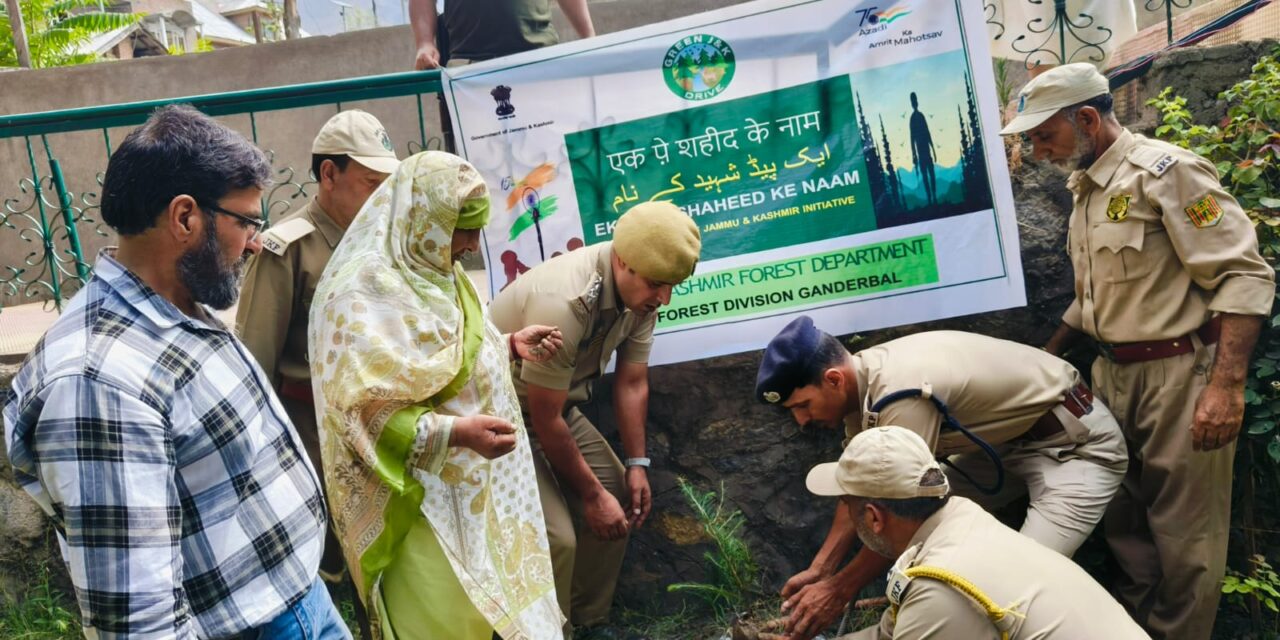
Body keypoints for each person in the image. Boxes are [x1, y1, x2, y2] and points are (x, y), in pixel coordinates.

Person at [3, 105, 347, 639]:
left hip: (297, 597)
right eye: (247, 222)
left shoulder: (177, 304)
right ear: (186, 217)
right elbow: (140, 625)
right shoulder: (99, 384)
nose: (256, 242)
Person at [999, 62, 1275, 639]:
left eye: (1044, 134)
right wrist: (1045, 365)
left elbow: (1243, 277)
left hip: (1180, 377)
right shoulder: (1089, 186)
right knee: (1125, 527)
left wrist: (1224, 388)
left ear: (1086, 119)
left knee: (1184, 537)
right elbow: (1094, 301)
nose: (1037, 149)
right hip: (1110, 376)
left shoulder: (1168, 174)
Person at [308, 150, 567, 640]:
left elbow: (446, 356)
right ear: (422, 217)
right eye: (462, 230)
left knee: (482, 619)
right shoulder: (357, 293)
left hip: (480, 492)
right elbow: (359, 409)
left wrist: (507, 344)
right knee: (437, 621)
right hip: (418, 504)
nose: (471, 246)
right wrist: (454, 433)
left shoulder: (434, 271)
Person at [756, 318, 1129, 640]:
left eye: (802, 405)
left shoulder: (899, 395)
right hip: (1005, 447)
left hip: (1075, 447)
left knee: (1005, 586)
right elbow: (859, 485)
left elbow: (892, 507)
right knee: (933, 518)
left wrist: (840, 588)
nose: (801, 420)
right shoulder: (862, 384)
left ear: (833, 379)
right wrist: (822, 569)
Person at [488, 202, 702, 637]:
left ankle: (586, 620)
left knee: (621, 496)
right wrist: (590, 495)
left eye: (673, 286)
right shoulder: (564, 302)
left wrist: (638, 463)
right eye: (658, 285)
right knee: (558, 538)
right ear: (622, 262)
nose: (664, 299)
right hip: (501, 416)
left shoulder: (640, 294)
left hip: (557, 408)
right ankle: (549, 631)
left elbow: (631, 382)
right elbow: (543, 420)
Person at [236, 109, 398, 588]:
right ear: (330, 174)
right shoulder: (289, 251)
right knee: (327, 561)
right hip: (312, 429)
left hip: (380, 423)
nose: (380, 199)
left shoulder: (382, 243)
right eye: (370, 183)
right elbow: (256, 360)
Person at [807, 427, 1149, 639]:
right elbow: (894, 633)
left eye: (846, 505)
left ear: (873, 517)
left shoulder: (940, 586)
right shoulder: (965, 522)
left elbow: (925, 616)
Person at [411, 0, 595, 70]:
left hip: (540, 58)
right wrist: (425, 43)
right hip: (469, 68)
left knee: (552, 148)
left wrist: (589, 38)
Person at [907, 92, 937, 207]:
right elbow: (912, 138)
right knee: (926, 176)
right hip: (921, 153)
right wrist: (914, 154)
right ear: (913, 103)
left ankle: (933, 196)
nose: (915, 103)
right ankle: (930, 197)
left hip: (926, 151)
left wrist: (933, 149)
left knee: (931, 174)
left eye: (915, 101)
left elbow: (927, 132)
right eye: (914, 102)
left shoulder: (920, 116)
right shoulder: (913, 119)